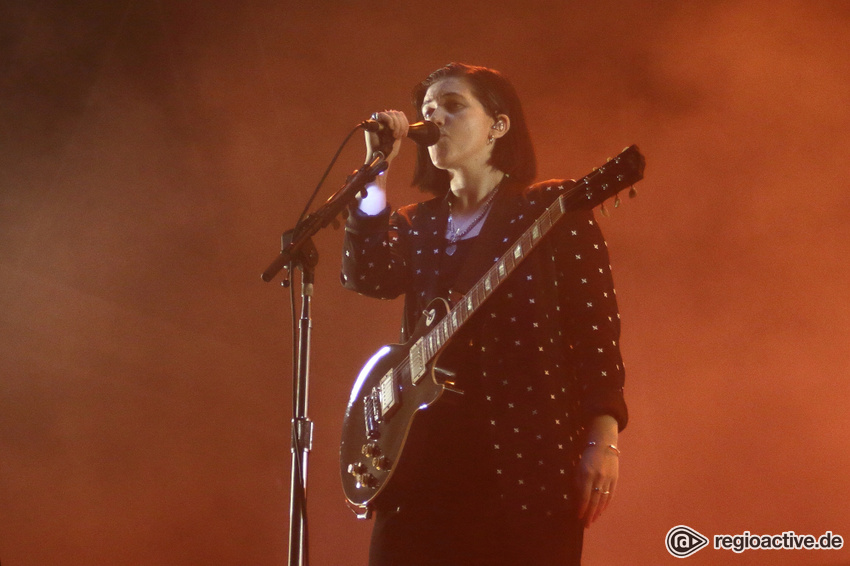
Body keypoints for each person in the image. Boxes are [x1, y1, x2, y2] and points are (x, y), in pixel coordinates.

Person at [341, 62, 628, 566]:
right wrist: (375, 176)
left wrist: (603, 441)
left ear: (499, 124)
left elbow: (595, 335)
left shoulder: (551, 210)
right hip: (418, 465)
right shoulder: (416, 223)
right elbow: (368, 277)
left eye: (454, 106)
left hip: (523, 460)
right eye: (427, 111)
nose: (435, 119)